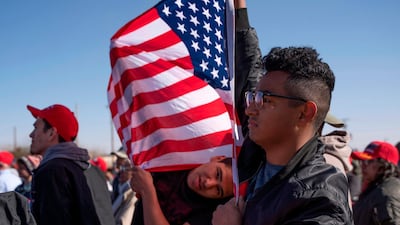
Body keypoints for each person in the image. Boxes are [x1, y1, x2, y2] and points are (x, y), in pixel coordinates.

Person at [212, 46, 353, 225]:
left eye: (265, 99)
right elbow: (245, 66)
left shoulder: (319, 198)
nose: (250, 110)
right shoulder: (256, 158)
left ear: (304, 113)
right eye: (253, 97)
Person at [27, 104, 115, 225]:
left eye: (36, 128)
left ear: (52, 133)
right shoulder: (92, 170)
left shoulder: (52, 171)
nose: (31, 135)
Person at [130, 156, 233, 225]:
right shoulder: (175, 159)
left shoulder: (209, 213)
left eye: (218, 190)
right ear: (217, 158)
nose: (208, 184)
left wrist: (147, 190)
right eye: (217, 174)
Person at [351, 141, 400, 225]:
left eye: (368, 161)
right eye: (361, 161)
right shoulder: (374, 187)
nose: (363, 166)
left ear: (383, 166)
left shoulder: (387, 193)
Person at [112, 159, 137, 225]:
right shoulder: (119, 191)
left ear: (133, 173)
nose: (121, 171)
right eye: (121, 168)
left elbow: (123, 222)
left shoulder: (133, 195)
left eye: (126, 169)